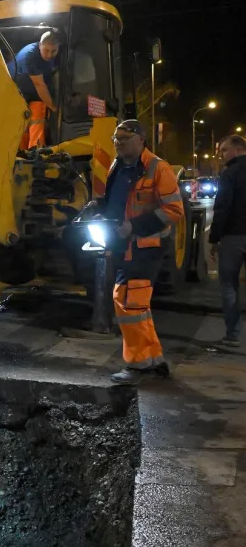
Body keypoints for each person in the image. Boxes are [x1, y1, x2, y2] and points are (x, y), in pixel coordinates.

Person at [94, 118, 184, 384]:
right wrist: (97, 208)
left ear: (141, 140)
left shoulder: (158, 168)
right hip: (123, 246)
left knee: (128, 304)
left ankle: (137, 365)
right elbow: (116, 203)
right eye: (115, 139)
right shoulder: (117, 166)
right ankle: (153, 360)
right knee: (137, 306)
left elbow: (174, 210)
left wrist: (134, 227)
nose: (118, 143)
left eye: (124, 139)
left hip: (145, 248)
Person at [209, 134, 246, 346]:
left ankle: (233, 334)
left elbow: (222, 208)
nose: (221, 155)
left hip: (233, 238)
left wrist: (214, 239)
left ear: (238, 149)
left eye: (224, 150)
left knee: (229, 285)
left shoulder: (230, 173)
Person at [7, 31, 61, 149]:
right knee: (23, 122)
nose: (49, 55)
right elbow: (39, 85)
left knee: (36, 115)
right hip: (15, 91)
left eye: (53, 51)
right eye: (46, 50)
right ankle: (27, 151)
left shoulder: (54, 55)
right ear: (40, 45)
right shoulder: (30, 57)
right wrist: (54, 109)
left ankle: (35, 149)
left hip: (31, 91)